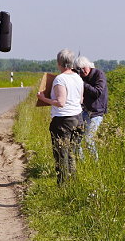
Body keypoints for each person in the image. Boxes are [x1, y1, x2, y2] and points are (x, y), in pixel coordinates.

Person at [36, 49, 83, 184]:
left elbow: (60, 102)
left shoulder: (60, 79)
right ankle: (73, 182)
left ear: (59, 63)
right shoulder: (78, 78)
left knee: (61, 154)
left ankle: (62, 185)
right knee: (71, 153)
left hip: (63, 120)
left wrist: (43, 98)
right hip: (78, 118)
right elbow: (80, 99)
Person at [74, 56, 108, 160]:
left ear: (89, 65)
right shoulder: (79, 76)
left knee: (89, 139)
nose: (83, 71)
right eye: (79, 69)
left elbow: (97, 92)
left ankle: (95, 164)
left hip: (97, 112)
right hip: (84, 111)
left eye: (84, 68)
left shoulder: (99, 74)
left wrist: (82, 83)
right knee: (76, 140)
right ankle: (82, 163)